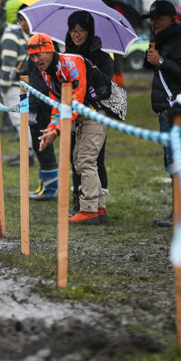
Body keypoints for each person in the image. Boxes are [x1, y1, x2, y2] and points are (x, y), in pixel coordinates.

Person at [30, 33, 110, 225]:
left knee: (85, 159)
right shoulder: (47, 72)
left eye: (39, 54)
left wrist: (56, 131)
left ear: (50, 50)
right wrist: (51, 129)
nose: (35, 60)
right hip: (85, 112)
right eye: (32, 56)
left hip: (99, 109)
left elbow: (76, 98)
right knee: (79, 158)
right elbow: (57, 104)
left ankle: (89, 210)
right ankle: (98, 208)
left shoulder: (71, 62)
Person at [143, 0, 181, 226]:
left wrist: (162, 61)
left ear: (172, 18)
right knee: (172, 161)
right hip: (166, 109)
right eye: (152, 19)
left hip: (176, 109)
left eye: (159, 19)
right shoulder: (162, 38)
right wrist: (153, 56)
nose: (154, 23)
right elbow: (155, 68)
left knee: (177, 162)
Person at [64, 11, 113, 220]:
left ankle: (97, 204)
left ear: (89, 31)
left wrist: (86, 67)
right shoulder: (65, 55)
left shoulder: (102, 57)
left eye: (81, 29)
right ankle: (80, 199)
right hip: (72, 113)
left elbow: (106, 87)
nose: (76, 34)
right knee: (75, 158)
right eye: (73, 29)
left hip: (95, 114)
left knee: (94, 159)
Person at [18, 12, 59, 201]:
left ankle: (50, 188)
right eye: (19, 20)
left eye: (25, 19)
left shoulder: (45, 44)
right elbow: (32, 75)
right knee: (38, 145)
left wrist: (33, 106)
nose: (22, 24)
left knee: (43, 144)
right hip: (35, 102)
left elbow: (40, 82)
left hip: (42, 104)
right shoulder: (35, 43)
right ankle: (45, 185)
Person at [0, 0, 31, 167]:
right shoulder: (24, 33)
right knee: (24, 120)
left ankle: (27, 154)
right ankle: (28, 152)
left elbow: (7, 63)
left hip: (13, 86)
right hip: (23, 84)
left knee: (19, 121)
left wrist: (3, 85)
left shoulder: (11, 34)